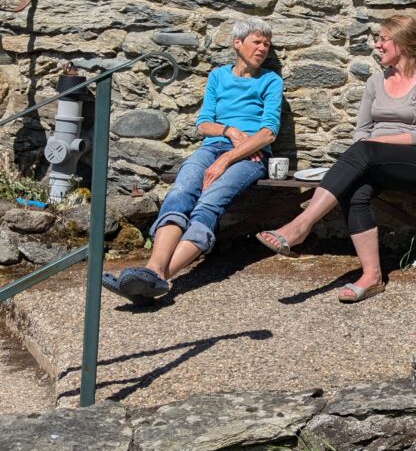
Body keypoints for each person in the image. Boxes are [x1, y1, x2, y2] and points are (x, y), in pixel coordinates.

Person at [257, 14, 416, 303]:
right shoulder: (375, 82)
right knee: (355, 191)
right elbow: (361, 132)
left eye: (383, 39)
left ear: (402, 43)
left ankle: (301, 225)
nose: (377, 45)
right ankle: (372, 277)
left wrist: (375, 143)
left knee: (364, 150)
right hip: (373, 159)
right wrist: (370, 145)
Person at [103, 18, 282, 304]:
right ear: (237, 43)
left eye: (266, 44)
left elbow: (268, 132)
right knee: (180, 193)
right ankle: (153, 270)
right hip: (212, 146)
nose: (262, 49)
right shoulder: (218, 76)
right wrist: (230, 131)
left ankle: (157, 278)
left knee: (209, 202)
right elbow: (203, 124)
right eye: (257, 42)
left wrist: (228, 158)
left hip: (250, 156)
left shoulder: (270, 81)